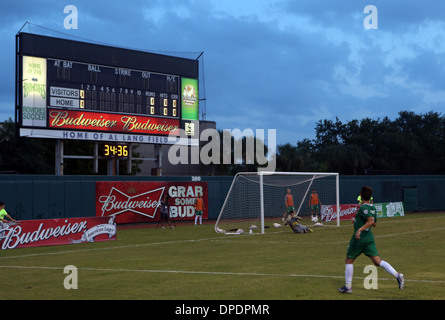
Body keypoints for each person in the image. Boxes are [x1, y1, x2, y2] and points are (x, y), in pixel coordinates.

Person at [338, 186, 404, 294]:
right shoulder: (372, 208)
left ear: (361, 195)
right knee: (378, 261)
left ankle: (348, 286)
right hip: (369, 238)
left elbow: (370, 221)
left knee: (349, 260)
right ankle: (397, 275)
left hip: (360, 239)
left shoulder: (363, 208)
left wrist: (359, 230)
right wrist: (357, 220)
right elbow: (374, 224)